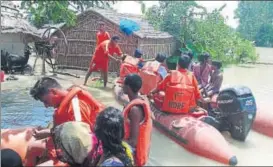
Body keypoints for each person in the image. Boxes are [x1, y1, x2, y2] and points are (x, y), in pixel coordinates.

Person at [24, 77, 105, 166]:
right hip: (67, 145)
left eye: (46, 101)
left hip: (80, 154)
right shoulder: (64, 103)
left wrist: (56, 155)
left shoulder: (76, 107)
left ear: (53, 92)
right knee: (31, 147)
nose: (46, 106)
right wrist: (48, 132)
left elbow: (82, 143)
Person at [122, 74, 153, 166]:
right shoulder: (142, 101)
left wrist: (112, 140)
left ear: (127, 87)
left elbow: (133, 142)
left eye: (123, 84)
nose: (122, 86)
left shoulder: (135, 110)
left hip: (134, 157)